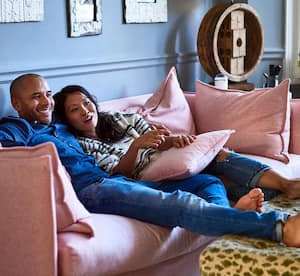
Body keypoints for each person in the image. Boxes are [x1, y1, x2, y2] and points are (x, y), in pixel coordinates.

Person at [1, 73, 300, 248]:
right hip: (90, 189)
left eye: (47, 94)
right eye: (35, 98)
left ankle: (230, 217)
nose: (45, 102)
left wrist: (165, 139)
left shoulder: (61, 127)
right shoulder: (18, 127)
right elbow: (7, 153)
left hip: (113, 181)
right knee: (180, 205)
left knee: (203, 184)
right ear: (17, 104)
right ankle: (279, 227)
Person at [53, 84, 300, 202]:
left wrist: (173, 140)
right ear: (67, 118)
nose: (85, 111)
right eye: (75, 109)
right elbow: (118, 175)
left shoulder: (117, 118)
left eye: (86, 102)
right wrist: (136, 146)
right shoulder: (82, 146)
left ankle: (286, 185)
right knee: (218, 179)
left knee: (219, 154)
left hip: (167, 159)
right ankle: (258, 201)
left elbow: (156, 138)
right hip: (148, 177)